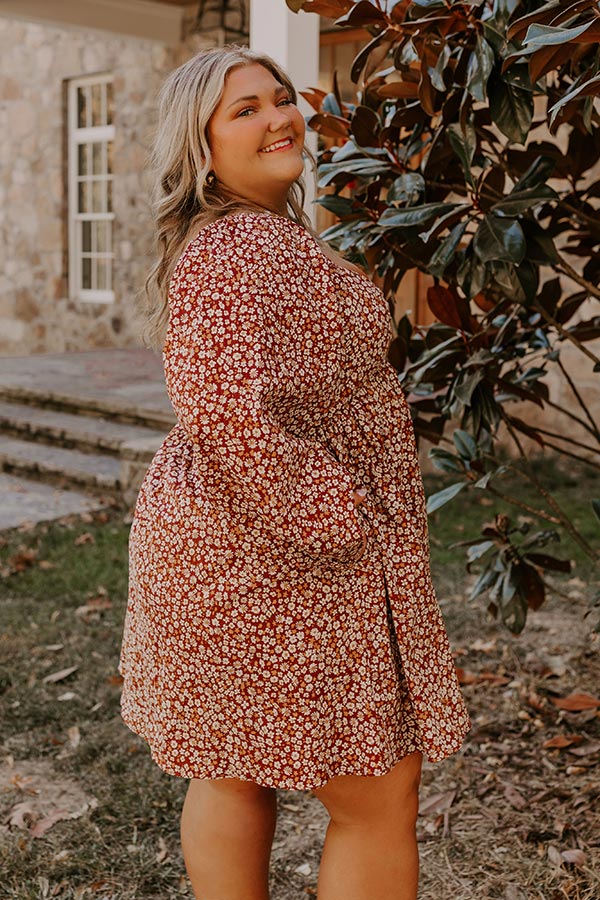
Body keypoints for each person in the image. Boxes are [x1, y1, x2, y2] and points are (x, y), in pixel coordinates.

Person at [118, 45, 470, 900]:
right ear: (201, 147)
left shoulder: (254, 236)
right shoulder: (236, 247)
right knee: (380, 791)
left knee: (234, 762)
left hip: (242, 542)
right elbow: (225, 409)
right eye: (245, 110)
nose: (280, 116)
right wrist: (341, 512)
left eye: (280, 99)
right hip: (280, 554)